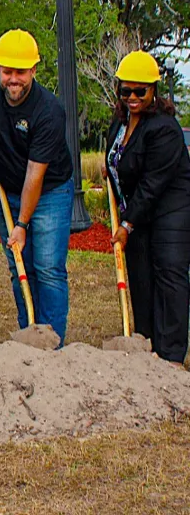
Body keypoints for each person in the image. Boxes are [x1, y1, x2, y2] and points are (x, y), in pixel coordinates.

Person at [0, 30, 74, 345]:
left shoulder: (48, 111)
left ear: (34, 70)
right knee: (20, 267)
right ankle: (28, 335)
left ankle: (52, 342)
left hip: (50, 193)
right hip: (10, 189)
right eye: (7, 71)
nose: (13, 79)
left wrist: (21, 225)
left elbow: (36, 175)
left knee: (47, 269)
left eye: (20, 72)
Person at [104, 51, 190, 366]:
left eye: (140, 91)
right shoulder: (121, 120)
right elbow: (120, 159)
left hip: (171, 211)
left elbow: (153, 184)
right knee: (140, 278)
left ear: (153, 90)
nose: (133, 97)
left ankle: (170, 355)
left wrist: (126, 225)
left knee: (168, 275)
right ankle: (145, 346)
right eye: (126, 90)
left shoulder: (164, 128)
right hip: (138, 212)